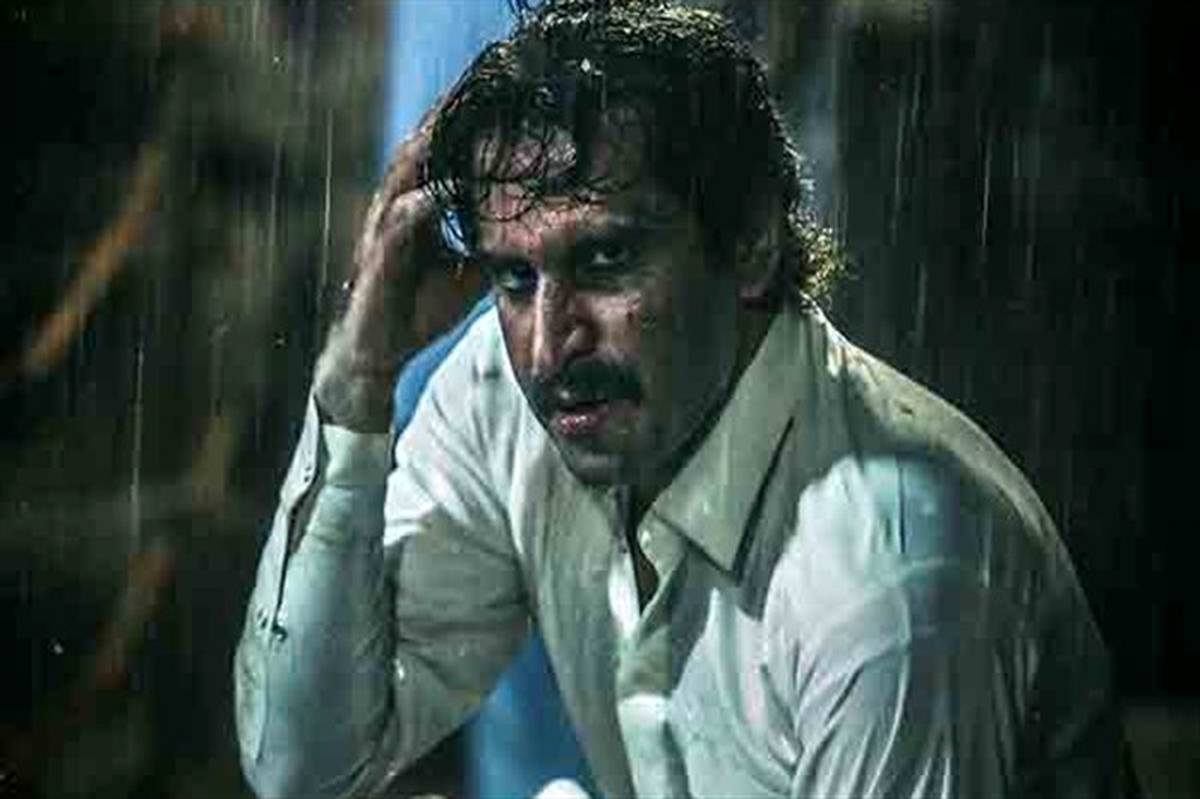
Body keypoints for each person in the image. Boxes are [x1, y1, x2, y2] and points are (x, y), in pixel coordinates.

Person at [235, 1, 1130, 796]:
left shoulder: (884, 573)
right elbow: (304, 766)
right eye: (514, 277)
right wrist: (356, 379)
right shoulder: (509, 396)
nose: (548, 346)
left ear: (750, 242)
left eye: (605, 260)